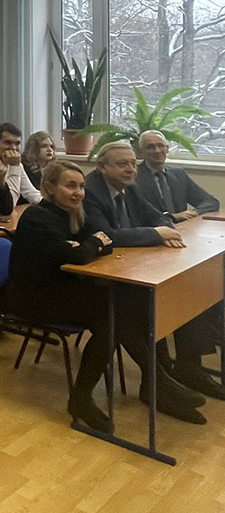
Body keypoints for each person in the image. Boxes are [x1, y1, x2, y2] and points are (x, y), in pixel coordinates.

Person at [83, 141, 224, 422]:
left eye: (132, 163)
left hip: (132, 266)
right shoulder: (90, 192)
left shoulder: (129, 186)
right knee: (149, 301)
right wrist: (156, 234)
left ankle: (186, 368)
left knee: (187, 288)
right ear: (102, 167)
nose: (131, 169)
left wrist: (166, 229)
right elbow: (107, 235)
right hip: (98, 278)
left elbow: (156, 216)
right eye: (122, 164)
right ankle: (159, 380)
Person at [7, 161, 116, 431]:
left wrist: (88, 245)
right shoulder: (37, 217)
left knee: (121, 305)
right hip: (31, 298)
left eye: (81, 187)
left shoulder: (73, 214)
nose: (78, 193)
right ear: (49, 187)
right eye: (70, 186)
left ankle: (156, 378)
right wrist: (90, 245)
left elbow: (106, 241)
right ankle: (81, 399)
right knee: (111, 317)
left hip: (58, 288)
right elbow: (79, 254)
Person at [134, 130, 219, 222]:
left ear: (167, 149)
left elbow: (211, 201)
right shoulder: (134, 177)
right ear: (141, 152)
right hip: (153, 229)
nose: (157, 151)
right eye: (150, 147)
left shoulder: (179, 175)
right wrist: (173, 217)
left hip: (183, 227)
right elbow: (138, 214)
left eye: (161, 146)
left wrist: (195, 212)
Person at [0, 123, 41, 210]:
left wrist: (53, 205)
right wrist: (14, 166)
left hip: (5, 215)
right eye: (8, 143)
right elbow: (10, 203)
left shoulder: (15, 162)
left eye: (17, 143)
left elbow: (31, 193)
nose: (13, 148)